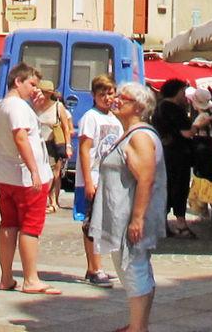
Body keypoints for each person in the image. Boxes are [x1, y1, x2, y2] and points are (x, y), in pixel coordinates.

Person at [90, 80, 167, 332]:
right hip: (123, 214)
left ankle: (138, 328)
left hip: (130, 217)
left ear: (138, 107)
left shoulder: (140, 136)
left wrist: (137, 218)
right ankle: (136, 325)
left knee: (133, 269)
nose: (116, 100)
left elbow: (146, 178)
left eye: (123, 98)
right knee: (133, 269)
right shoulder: (130, 133)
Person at [0, 66, 60, 295]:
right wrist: (35, 171)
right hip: (24, 178)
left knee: (8, 224)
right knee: (30, 227)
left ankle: (6, 277)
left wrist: (35, 107)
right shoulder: (17, 107)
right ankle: (30, 279)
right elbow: (21, 137)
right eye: (31, 84)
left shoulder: (2, 105)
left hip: (6, 174)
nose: (34, 90)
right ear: (18, 81)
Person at [74, 74, 122, 288]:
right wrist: (88, 181)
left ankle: (94, 266)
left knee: (102, 224)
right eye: (102, 94)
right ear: (94, 96)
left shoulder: (114, 119)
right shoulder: (90, 117)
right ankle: (95, 268)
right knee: (92, 224)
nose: (107, 97)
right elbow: (84, 150)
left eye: (110, 93)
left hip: (109, 178)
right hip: (93, 177)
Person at [153, 77, 203, 238]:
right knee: (178, 187)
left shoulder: (159, 107)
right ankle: (180, 222)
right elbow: (186, 132)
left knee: (167, 187)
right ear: (176, 92)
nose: (184, 96)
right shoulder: (172, 108)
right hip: (177, 154)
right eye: (182, 92)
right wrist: (199, 124)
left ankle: (163, 222)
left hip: (165, 153)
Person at [37, 79, 73, 208]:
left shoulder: (58, 106)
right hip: (36, 144)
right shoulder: (33, 105)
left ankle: (52, 201)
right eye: (40, 91)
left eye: (45, 92)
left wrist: (68, 146)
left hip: (53, 143)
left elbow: (66, 128)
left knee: (53, 173)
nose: (42, 94)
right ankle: (43, 200)